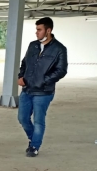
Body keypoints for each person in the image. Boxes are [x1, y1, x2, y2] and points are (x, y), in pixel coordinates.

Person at [18, 17, 67, 157]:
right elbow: (24, 63)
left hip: (44, 92)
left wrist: (42, 81)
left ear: (48, 30)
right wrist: (20, 76)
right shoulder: (32, 45)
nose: (36, 32)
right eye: (36, 29)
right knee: (22, 118)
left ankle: (34, 146)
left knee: (38, 121)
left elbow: (61, 70)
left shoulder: (59, 49)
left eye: (39, 30)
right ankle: (33, 138)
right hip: (27, 89)